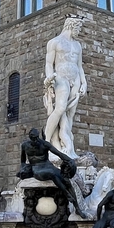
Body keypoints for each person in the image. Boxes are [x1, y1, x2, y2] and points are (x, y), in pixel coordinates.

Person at [43, 18, 87, 158]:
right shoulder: (55, 42)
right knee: (60, 108)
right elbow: (49, 63)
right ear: (71, 26)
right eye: (78, 29)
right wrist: (49, 78)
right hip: (60, 78)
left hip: (75, 79)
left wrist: (84, 82)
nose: (79, 32)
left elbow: (79, 66)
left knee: (70, 114)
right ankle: (47, 142)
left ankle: (67, 146)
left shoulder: (77, 45)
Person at [18, 127, 81, 210]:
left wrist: (69, 160)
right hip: (36, 168)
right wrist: (23, 168)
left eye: (36, 138)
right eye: (33, 139)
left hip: (48, 165)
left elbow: (59, 154)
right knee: (51, 174)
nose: (35, 140)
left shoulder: (44, 144)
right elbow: (22, 161)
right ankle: (66, 193)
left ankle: (77, 208)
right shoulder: (25, 145)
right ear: (30, 138)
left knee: (66, 180)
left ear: (38, 136)